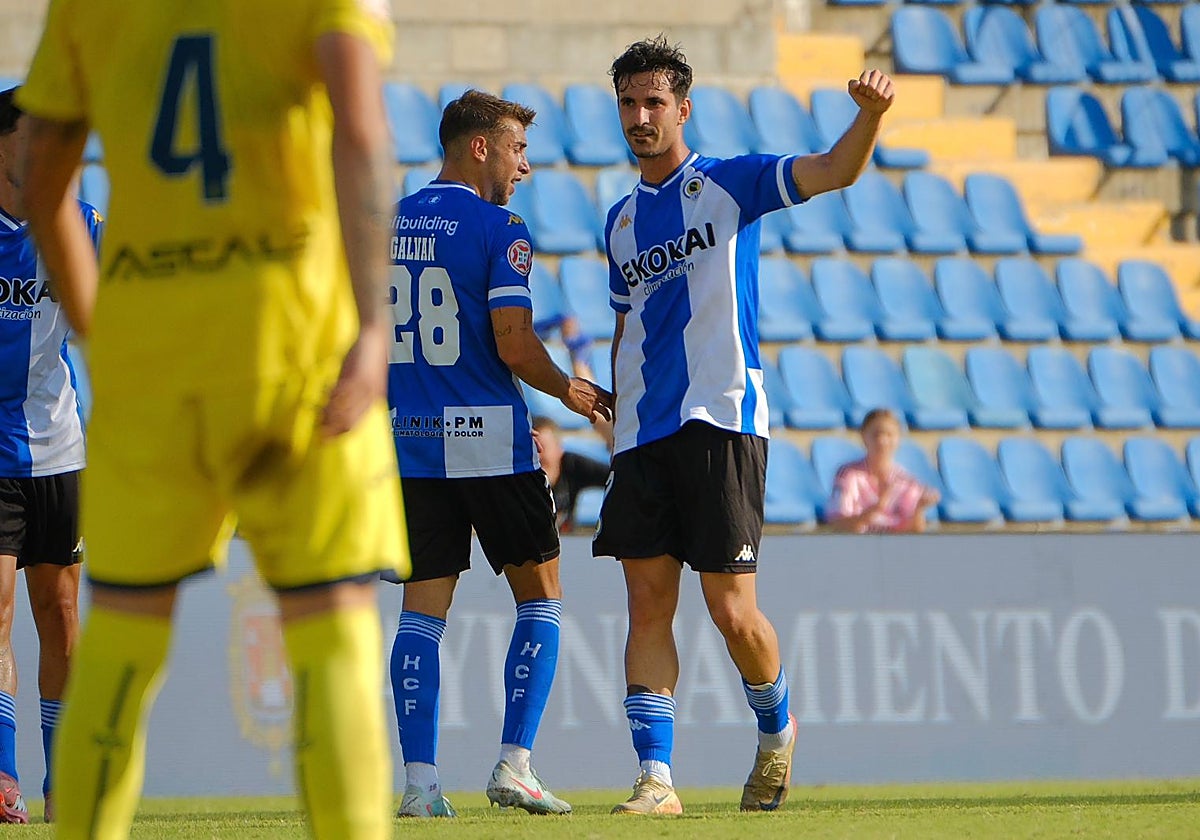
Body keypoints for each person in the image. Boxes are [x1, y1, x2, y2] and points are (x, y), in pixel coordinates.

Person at [18, 2, 409, 837]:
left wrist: (103, 328)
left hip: (150, 365)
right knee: (330, 636)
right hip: (294, 350)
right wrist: (375, 328)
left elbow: (44, 170)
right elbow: (364, 133)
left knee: (120, 645)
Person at [591, 36, 895, 814]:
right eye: (628, 103)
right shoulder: (619, 223)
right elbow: (627, 329)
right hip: (642, 435)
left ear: (683, 110)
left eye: (654, 102)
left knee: (731, 610)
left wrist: (867, 119)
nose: (640, 116)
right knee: (648, 604)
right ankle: (657, 779)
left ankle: (776, 728)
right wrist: (616, 421)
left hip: (723, 417)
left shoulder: (728, 183)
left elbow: (835, 171)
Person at [385, 90, 612, 818]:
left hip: (410, 444)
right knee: (540, 596)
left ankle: (420, 784)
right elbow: (514, 342)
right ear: (479, 147)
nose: (526, 166)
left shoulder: (383, 222)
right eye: (517, 149)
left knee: (422, 612)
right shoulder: (499, 228)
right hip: (486, 439)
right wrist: (570, 391)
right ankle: (515, 764)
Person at [0, 87, 100, 825]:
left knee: (60, 613)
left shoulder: (78, 226)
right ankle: (2, 776)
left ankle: (64, 777)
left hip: (59, 447)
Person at [828, 408, 940, 534]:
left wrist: (919, 508)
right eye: (876, 434)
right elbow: (839, 523)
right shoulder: (849, 475)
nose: (882, 441)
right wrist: (876, 508)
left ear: (898, 439)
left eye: (889, 435)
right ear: (864, 437)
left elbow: (914, 531)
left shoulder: (906, 480)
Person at [531, 416, 610, 533]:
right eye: (531, 450)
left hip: (566, 541)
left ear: (559, 449)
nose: (537, 457)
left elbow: (615, 477)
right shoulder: (517, 478)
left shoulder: (571, 466)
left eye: (542, 448)